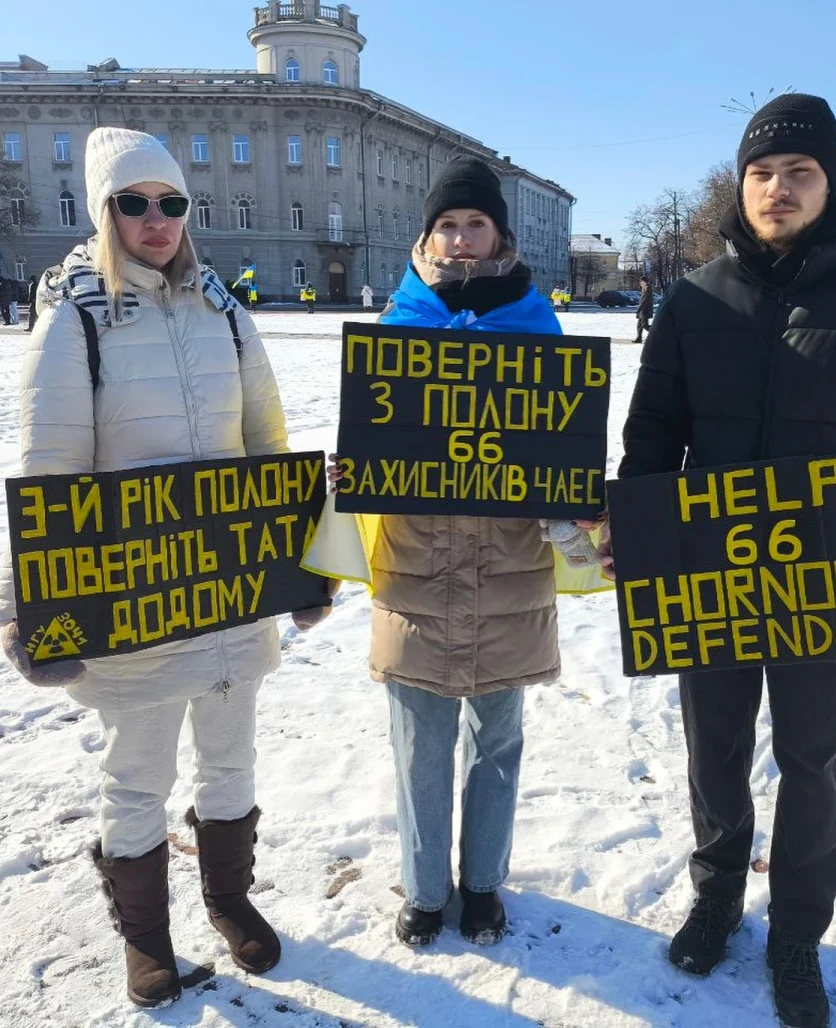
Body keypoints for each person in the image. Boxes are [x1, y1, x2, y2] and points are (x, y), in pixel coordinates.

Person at [610, 94, 836, 1028]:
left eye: (798, 171)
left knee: (813, 759)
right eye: (762, 172)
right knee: (712, 747)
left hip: (825, 576)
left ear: (831, 182)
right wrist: (637, 539)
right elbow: (654, 436)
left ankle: (797, 933)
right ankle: (720, 889)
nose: (777, 188)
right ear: (742, 183)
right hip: (713, 570)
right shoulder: (694, 298)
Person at [0, 128, 333, 1008]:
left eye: (171, 203)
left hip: (227, 591)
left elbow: (267, 440)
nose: (156, 220)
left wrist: (304, 563)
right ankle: (146, 939)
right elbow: (50, 469)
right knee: (137, 775)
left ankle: (230, 899)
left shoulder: (225, 308)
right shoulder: (74, 317)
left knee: (231, 763)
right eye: (133, 203)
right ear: (105, 211)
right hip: (132, 603)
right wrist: (28, 609)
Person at [326, 157, 597, 949]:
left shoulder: (537, 325)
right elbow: (379, 443)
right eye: (447, 223)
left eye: (475, 223)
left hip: (510, 567)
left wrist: (571, 491)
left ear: (499, 236)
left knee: (499, 739)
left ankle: (482, 885)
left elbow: (556, 447)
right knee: (420, 741)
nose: (460, 237)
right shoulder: (399, 324)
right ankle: (422, 887)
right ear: (428, 234)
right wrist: (355, 470)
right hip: (417, 566)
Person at [634, 275, 653, 343]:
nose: (640, 283)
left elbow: (645, 300)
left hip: (645, 310)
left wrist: (640, 308)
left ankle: (656, 333)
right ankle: (639, 338)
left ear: (644, 282)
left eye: (641, 281)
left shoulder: (647, 288)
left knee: (644, 325)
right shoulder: (644, 288)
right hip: (642, 310)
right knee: (639, 325)